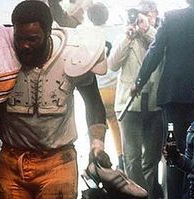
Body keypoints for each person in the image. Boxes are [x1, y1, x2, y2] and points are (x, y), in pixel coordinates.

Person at [0, 1, 113, 198]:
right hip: (11, 161)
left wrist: (97, 145)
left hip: (58, 162)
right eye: (19, 38)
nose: (24, 46)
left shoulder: (73, 54)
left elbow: (94, 103)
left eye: (33, 39)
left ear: (48, 33)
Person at [130, 0, 194, 198]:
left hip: (172, 98)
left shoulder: (170, 18)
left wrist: (139, 81)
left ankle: (174, 195)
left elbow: (155, 52)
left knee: (173, 149)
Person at [108, 1, 164, 198]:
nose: (140, 20)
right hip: (128, 105)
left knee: (151, 157)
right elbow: (112, 64)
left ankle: (147, 192)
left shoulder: (159, 34)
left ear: (154, 15)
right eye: (138, 16)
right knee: (132, 158)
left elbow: (160, 49)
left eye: (145, 15)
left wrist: (146, 30)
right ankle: (138, 196)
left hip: (155, 104)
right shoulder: (124, 37)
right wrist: (127, 38)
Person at [86, 2, 124, 170]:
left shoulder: (86, 33)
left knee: (96, 127)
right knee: (116, 126)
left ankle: (98, 161)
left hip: (96, 88)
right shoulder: (117, 31)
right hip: (115, 86)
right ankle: (121, 159)